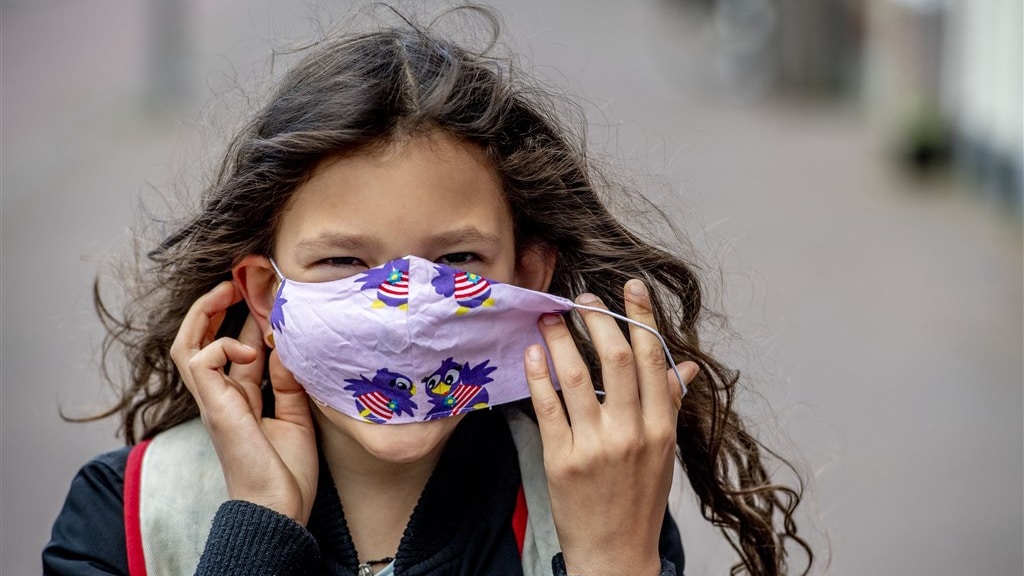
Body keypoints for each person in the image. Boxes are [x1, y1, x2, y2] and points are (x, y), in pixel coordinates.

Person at [44, 5, 812, 576]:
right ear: (264, 292)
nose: (406, 307)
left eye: (458, 260)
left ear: (531, 278)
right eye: (345, 261)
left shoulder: (590, 498)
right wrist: (256, 529)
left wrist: (613, 559)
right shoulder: (131, 514)